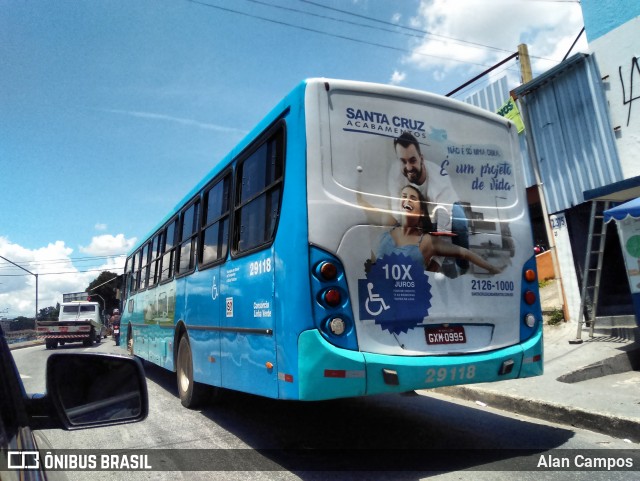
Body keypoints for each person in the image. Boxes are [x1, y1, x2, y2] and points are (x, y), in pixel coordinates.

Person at [360, 185, 502, 275]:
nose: (407, 200)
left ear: (421, 210)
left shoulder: (428, 241)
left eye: (412, 198)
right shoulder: (387, 227)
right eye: (404, 197)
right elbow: (365, 207)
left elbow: (466, 253)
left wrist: (492, 268)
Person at [388, 132, 469, 275]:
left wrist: (437, 262)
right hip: (418, 211)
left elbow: (445, 223)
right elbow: (398, 213)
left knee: (459, 221)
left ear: (421, 159)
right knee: (390, 224)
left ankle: (462, 266)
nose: (408, 167)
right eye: (403, 161)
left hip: (441, 210)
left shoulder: (439, 178)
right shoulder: (395, 173)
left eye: (412, 160)